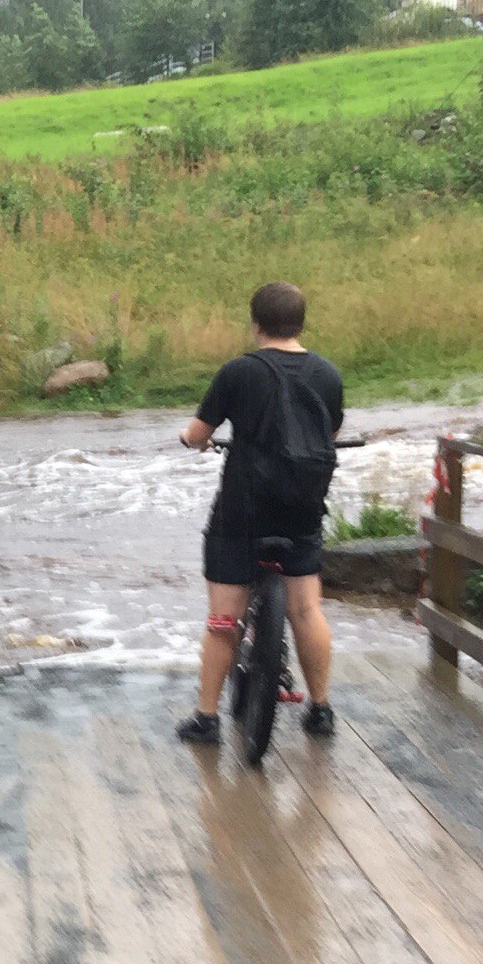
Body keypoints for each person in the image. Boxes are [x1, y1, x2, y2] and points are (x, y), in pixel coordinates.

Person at [175, 280, 345, 746]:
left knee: (224, 620)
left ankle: (206, 718)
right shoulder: (327, 375)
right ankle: (322, 709)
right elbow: (327, 436)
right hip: (302, 508)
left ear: (255, 324)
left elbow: (198, 432)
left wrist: (193, 439)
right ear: (301, 323)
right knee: (306, 609)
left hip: (243, 508)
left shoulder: (238, 372)